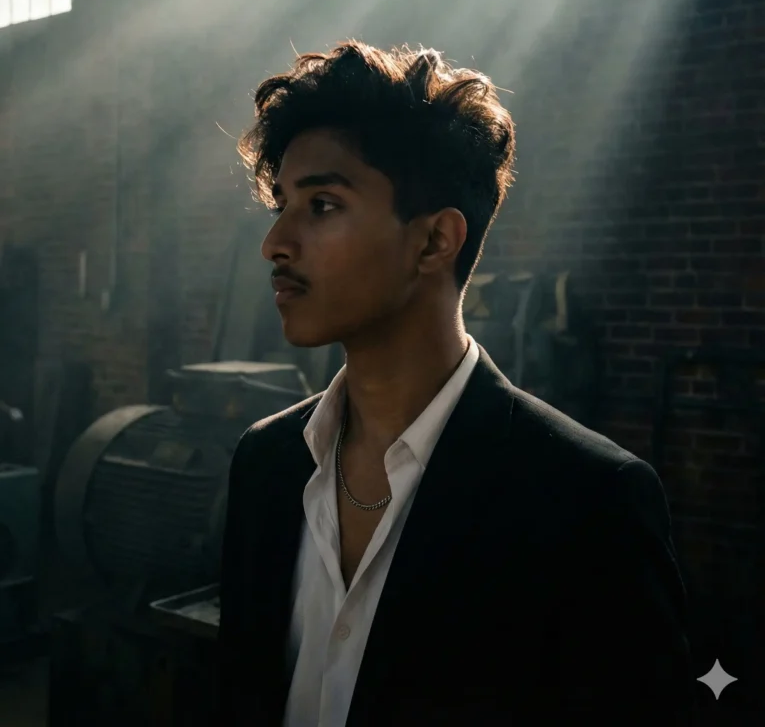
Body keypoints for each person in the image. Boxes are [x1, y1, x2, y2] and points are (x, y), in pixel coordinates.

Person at [217, 40, 696, 727]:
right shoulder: (265, 463)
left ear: (434, 242)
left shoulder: (587, 501)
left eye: (321, 205)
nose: (275, 244)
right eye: (280, 207)